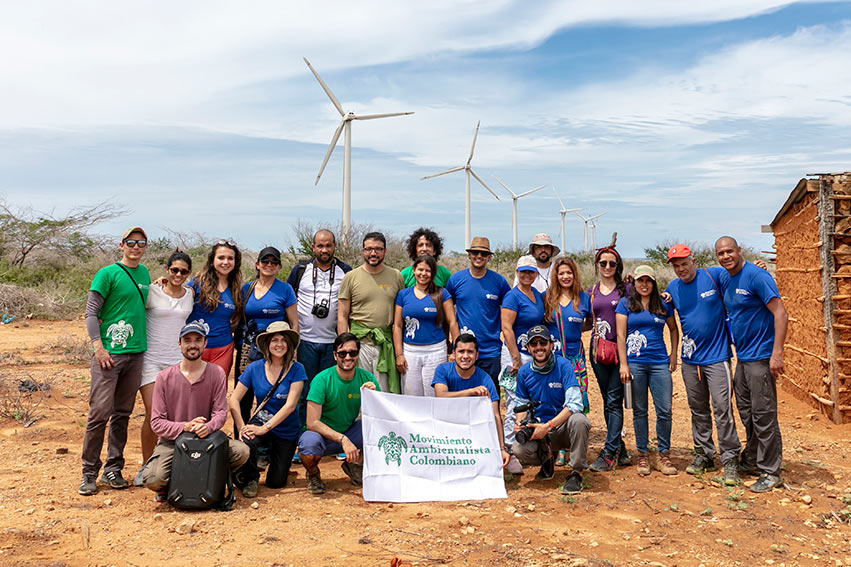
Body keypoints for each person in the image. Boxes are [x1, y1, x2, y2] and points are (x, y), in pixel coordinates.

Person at [142, 321, 251, 501]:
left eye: (198, 340)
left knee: (242, 452)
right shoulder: (164, 377)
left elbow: (221, 413)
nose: (192, 345)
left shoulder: (216, 373)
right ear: (179, 344)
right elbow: (157, 423)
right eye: (187, 340)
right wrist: (185, 426)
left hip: (207, 441)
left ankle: (212, 479)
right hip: (172, 443)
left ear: (204, 344)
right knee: (153, 479)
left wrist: (207, 427)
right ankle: (172, 483)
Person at [79, 227, 151, 496]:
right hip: (109, 354)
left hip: (136, 353)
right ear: (121, 245)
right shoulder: (107, 273)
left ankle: (114, 468)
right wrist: (98, 347)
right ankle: (89, 471)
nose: (135, 247)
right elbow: (90, 312)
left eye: (140, 243)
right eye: (131, 242)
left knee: (122, 413)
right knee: (99, 413)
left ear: (145, 247)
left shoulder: (143, 274)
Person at [715, 236, 788, 493]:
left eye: (729, 251)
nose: (726, 256)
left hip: (761, 357)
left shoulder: (757, 276)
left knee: (764, 413)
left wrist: (776, 353)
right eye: (721, 253)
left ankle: (770, 471)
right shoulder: (725, 277)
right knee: (747, 411)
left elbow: (780, 312)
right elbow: (695, 273)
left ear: (739, 251)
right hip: (743, 358)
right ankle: (754, 458)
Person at [665, 244, 741, 486]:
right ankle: (704, 455)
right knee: (698, 410)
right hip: (690, 361)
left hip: (717, 358)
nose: (680, 269)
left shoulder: (713, 275)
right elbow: (657, 312)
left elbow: (739, 276)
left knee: (723, 409)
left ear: (693, 260)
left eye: (684, 263)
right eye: (676, 265)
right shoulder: (672, 288)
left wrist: (757, 268)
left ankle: (730, 459)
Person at [134, 250, 194, 486]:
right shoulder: (152, 291)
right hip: (151, 360)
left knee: (176, 415)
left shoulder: (190, 295)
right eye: (174, 270)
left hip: (176, 362)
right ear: (167, 270)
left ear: (188, 274)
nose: (178, 274)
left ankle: (171, 464)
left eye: (183, 271)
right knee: (153, 414)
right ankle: (147, 466)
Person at [615, 265, 679, 477]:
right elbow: (621, 336)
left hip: (659, 362)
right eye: (640, 281)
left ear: (653, 283)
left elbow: (673, 329)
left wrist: (673, 354)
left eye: (648, 281)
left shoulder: (662, 304)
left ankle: (663, 454)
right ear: (634, 283)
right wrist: (623, 364)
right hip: (635, 364)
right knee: (639, 410)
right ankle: (642, 454)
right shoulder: (625, 304)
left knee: (665, 410)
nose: (644, 284)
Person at [511, 325, 590, 494]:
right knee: (518, 448)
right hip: (540, 430)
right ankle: (547, 459)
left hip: (562, 427)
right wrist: (520, 422)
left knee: (579, 420)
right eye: (534, 344)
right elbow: (521, 403)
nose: (539, 347)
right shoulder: (524, 372)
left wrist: (548, 426)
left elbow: (575, 404)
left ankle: (576, 472)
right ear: (528, 348)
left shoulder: (564, 365)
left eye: (543, 342)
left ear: (551, 345)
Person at [297, 333, 379, 494]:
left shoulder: (367, 378)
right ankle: (313, 474)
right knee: (308, 446)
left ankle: (355, 465)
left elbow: (380, 417)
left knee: (376, 430)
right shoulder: (322, 379)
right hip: (322, 435)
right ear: (335, 355)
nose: (347, 357)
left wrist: (374, 397)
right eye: (342, 353)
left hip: (348, 429)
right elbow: (312, 422)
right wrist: (343, 439)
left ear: (358, 354)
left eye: (353, 353)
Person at [229, 321, 306, 492]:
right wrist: (242, 428)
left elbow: (290, 406)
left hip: (285, 429)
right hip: (261, 422)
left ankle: (277, 462)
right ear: (267, 344)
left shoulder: (297, 369)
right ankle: (250, 478)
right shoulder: (254, 368)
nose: (279, 344)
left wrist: (264, 428)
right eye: (274, 340)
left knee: (276, 482)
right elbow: (234, 399)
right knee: (247, 439)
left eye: (283, 340)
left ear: (289, 344)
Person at [234, 246, 298, 431]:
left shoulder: (285, 289)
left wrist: (293, 350)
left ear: (279, 266)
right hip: (248, 347)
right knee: (245, 394)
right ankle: (243, 438)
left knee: (273, 392)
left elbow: (294, 323)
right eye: (265, 261)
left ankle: (270, 440)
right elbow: (237, 319)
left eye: (274, 262)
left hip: (277, 347)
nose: (269, 265)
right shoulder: (247, 289)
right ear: (257, 264)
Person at [337, 232, 404, 393]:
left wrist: (399, 351)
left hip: (385, 343)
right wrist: (345, 346)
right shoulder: (351, 277)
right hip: (360, 343)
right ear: (363, 251)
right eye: (369, 249)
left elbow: (400, 316)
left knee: (384, 392)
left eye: (378, 249)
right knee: (359, 390)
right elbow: (342, 316)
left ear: (385, 251)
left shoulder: (396, 276)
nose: (373, 253)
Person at [432, 334, 510, 467]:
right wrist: (470, 392)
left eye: (470, 352)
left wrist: (501, 449)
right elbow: (441, 396)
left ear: (477, 355)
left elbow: (496, 416)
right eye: (461, 351)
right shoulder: (442, 370)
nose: (465, 356)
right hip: (446, 432)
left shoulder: (485, 379)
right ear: (454, 353)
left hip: (473, 434)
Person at [586, 245, 632, 471]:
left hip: (620, 352)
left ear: (618, 266)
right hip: (597, 351)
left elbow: (646, 301)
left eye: (612, 264)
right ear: (597, 265)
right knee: (607, 400)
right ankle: (620, 448)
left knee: (614, 400)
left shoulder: (627, 289)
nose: (607, 267)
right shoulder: (591, 292)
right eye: (602, 263)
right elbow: (585, 319)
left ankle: (609, 452)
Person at [444, 236, 511, 390]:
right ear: (469, 255)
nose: (478, 256)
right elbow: (447, 314)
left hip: (491, 352)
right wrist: (452, 346)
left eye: (483, 253)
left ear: (489, 257)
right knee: (462, 396)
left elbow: (510, 308)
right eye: (475, 253)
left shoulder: (499, 282)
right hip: (464, 352)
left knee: (489, 397)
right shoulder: (456, 280)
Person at [543, 256, 592, 466]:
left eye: (569, 273)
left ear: (575, 275)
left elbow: (589, 323)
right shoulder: (547, 298)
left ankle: (574, 446)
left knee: (576, 401)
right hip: (554, 358)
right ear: (556, 276)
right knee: (556, 399)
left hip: (576, 358)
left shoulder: (583, 298)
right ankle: (557, 447)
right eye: (561, 273)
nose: (565, 277)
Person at [500, 255, 545, 473]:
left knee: (530, 402)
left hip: (532, 355)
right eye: (523, 271)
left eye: (531, 271)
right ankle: (509, 450)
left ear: (536, 273)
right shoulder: (512, 296)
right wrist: (515, 357)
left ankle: (523, 444)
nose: (527, 275)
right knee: (514, 404)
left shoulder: (536, 295)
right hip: (515, 356)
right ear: (517, 272)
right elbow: (507, 327)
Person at [393, 255, 458, 396]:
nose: (423, 274)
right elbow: (397, 326)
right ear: (413, 270)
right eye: (420, 270)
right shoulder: (403, 295)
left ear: (433, 273)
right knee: (411, 396)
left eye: (427, 271)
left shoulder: (442, 293)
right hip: (410, 351)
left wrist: (455, 350)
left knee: (433, 394)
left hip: (436, 351)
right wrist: (399, 354)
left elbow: (452, 322)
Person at [187, 240, 243, 375]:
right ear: (212, 260)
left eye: (230, 258)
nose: (226, 262)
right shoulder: (197, 283)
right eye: (221, 257)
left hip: (223, 349)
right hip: (195, 347)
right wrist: (162, 283)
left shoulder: (235, 289)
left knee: (217, 392)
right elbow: (176, 297)